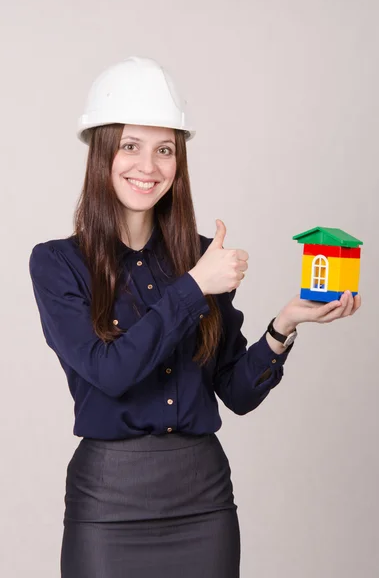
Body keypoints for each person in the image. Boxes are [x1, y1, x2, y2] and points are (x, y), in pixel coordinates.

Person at [28, 56, 361, 578]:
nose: (149, 165)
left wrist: (284, 325)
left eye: (165, 150)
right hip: (108, 505)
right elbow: (109, 372)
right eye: (130, 146)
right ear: (100, 153)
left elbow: (237, 393)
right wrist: (193, 288)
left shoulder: (200, 256)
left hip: (203, 501)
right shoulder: (57, 263)